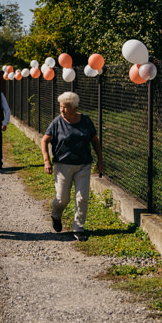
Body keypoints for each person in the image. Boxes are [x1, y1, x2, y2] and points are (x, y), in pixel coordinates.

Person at [40, 91, 106, 241]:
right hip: (62, 165)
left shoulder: (86, 121)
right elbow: (45, 140)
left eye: (65, 107)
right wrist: (46, 160)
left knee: (82, 197)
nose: (62, 110)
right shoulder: (57, 122)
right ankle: (56, 215)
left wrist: (100, 160)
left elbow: (95, 141)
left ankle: (78, 227)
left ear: (75, 108)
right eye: (61, 107)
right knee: (62, 198)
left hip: (83, 165)